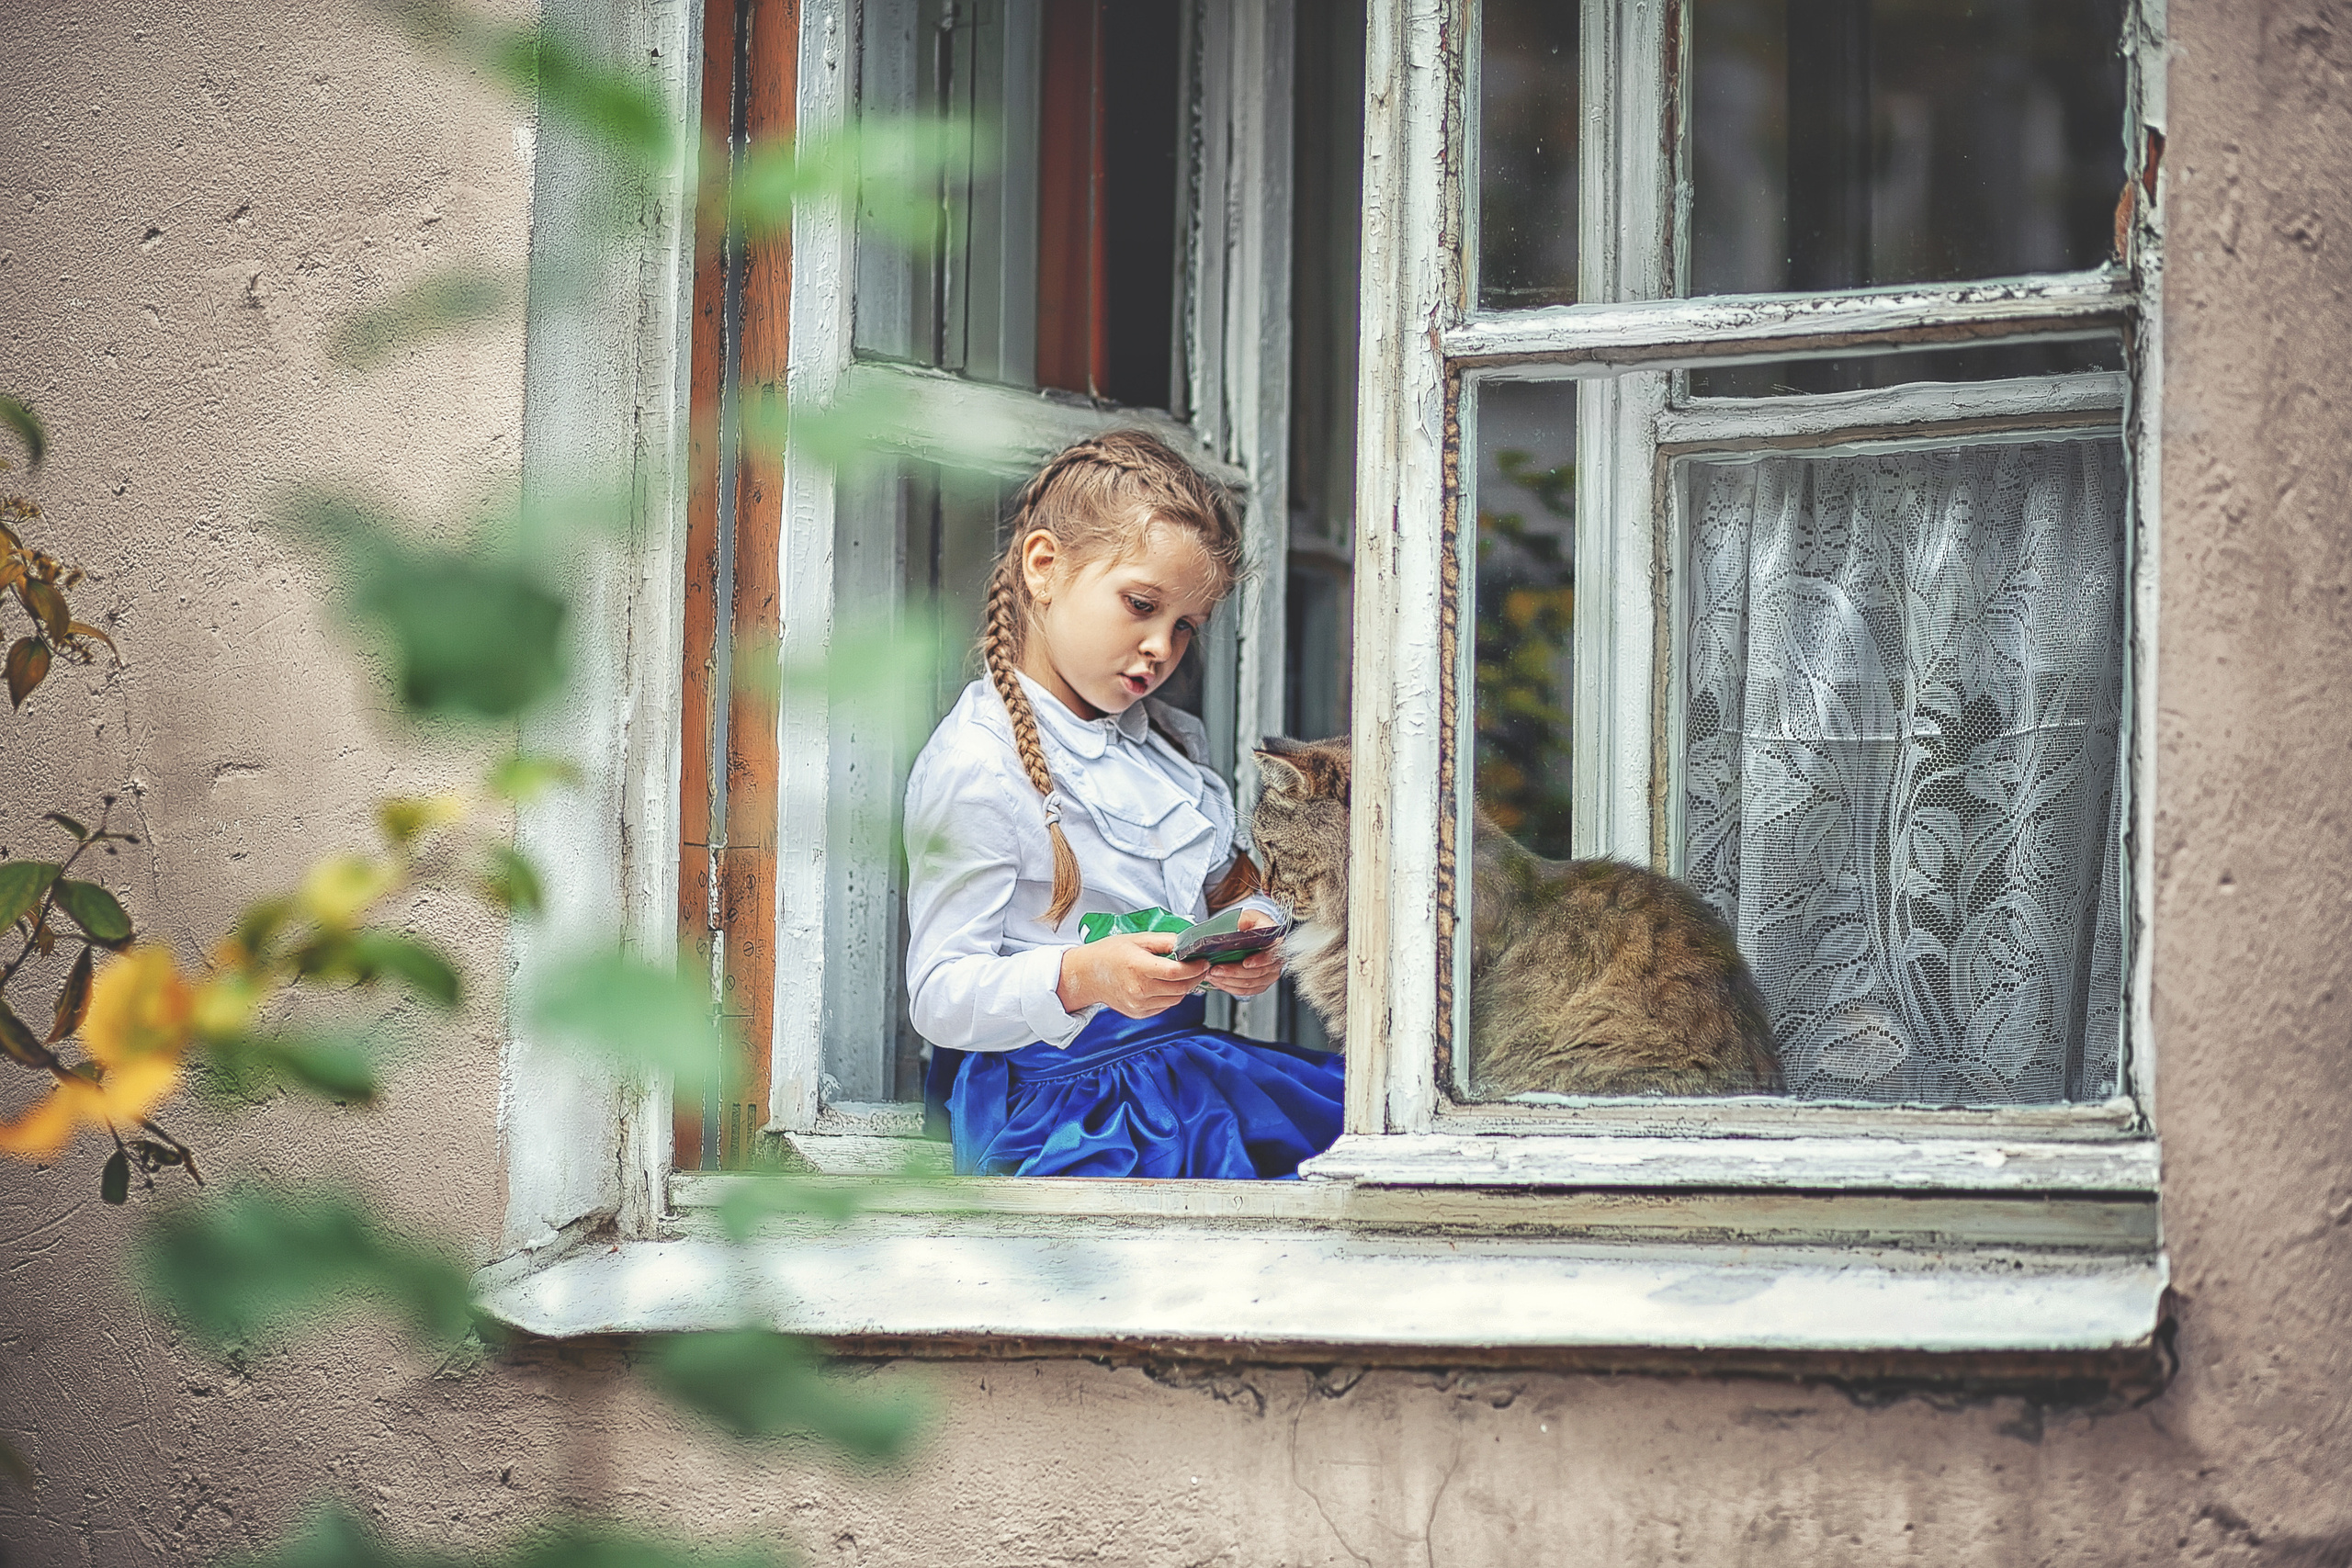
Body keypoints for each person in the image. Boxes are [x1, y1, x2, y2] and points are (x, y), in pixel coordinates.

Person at [903, 431, 1344, 1178]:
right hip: (1058, 1106)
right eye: (1140, 605)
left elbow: (1231, 891)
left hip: (1177, 1073)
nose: (1160, 647)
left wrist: (1245, 941)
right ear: (1045, 567)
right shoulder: (979, 763)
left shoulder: (1169, 744)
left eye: (1184, 626)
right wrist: (1083, 974)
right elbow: (940, 995)